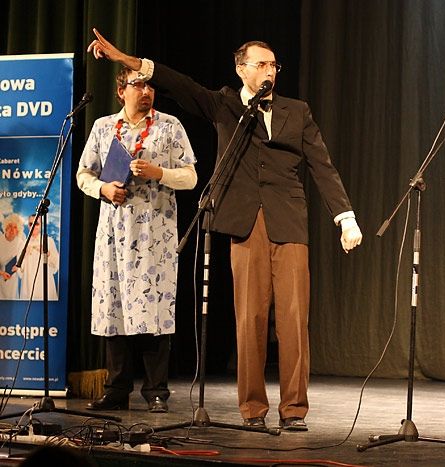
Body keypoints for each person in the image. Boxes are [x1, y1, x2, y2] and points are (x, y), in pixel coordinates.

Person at [87, 28, 363, 431]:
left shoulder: (297, 111)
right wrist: (128, 60)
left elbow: (322, 165)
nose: (270, 71)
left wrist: (344, 216)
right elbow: (178, 83)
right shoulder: (225, 105)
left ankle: (294, 410)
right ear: (241, 69)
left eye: (274, 65)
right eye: (262, 64)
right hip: (244, 222)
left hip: (288, 220)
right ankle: (252, 409)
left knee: (293, 319)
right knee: (249, 318)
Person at [77, 65, 197, 413]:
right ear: (121, 91)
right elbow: (83, 174)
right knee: (114, 304)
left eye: (150, 86)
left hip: (154, 233)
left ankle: (156, 390)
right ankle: (116, 389)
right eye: (139, 85)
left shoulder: (169, 126)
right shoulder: (103, 127)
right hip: (114, 234)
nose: (146, 92)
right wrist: (103, 189)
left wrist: (159, 172)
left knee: (154, 308)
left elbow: (190, 176)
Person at [17, 215, 59, 301]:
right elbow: (19, 271)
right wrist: (24, 256)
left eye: (36, 223)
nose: (33, 226)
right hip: (28, 286)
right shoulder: (23, 244)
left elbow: (55, 266)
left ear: (41, 225)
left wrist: (47, 254)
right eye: (31, 224)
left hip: (45, 285)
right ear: (28, 226)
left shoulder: (49, 241)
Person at [0, 213, 23, 300]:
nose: (12, 229)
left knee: (12, 300)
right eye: (10, 226)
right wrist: (2, 273)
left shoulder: (20, 243)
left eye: (15, 227)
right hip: (0, 276)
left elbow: (22, 264)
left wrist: (17, 267)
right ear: (5, 227)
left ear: (18, 231)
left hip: (12, 280)